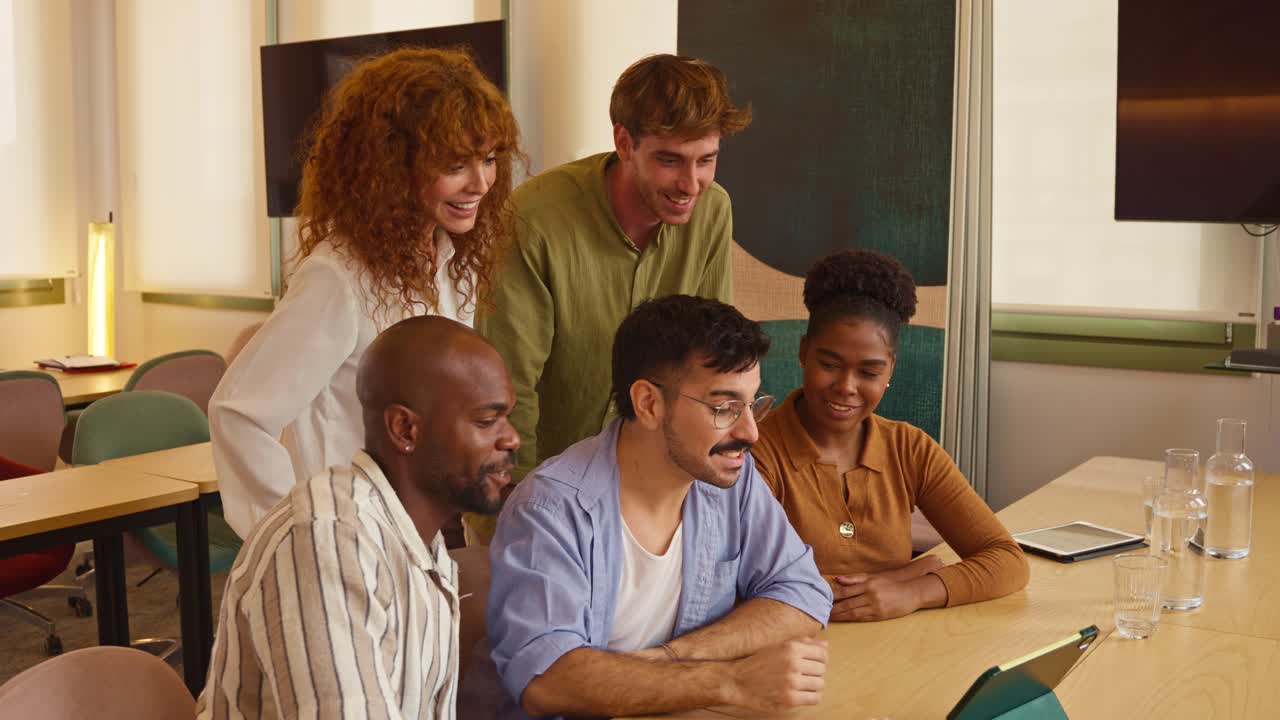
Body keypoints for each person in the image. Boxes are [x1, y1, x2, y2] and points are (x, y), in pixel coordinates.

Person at [209, 47, 521, 538]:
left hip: (415, 531)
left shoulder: (449, 261)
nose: (481, 182)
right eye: (456, 165)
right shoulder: (338, 276)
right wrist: (295, 538)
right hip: (348, 535)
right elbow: (239, 413)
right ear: (395, 166)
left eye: (488, 159)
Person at [487, 295, 832, 718]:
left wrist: (673, 656)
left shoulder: (729, 477)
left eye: (752, 404)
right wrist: (730, 681)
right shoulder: (549, 508)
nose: (750, 433)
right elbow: (547, 677)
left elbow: (803, 592)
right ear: (649, 403)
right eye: (724, 408)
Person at [468, 54, 752, 544]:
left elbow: (713, 369)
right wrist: (519, 524)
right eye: (670, 160)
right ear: (624, 142)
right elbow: (508, 391)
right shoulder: (533, 220)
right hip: (542, 494)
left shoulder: (713, 209)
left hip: (651, 497)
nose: (691, 184)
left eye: (706, 160)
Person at [197, 315, 520, 718]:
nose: (511, 438)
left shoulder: (422, 543)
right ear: (405, 429)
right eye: (487, 421)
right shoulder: (324, 543)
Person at [751, 250, 1029, 623]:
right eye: (829, 365)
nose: (846, 387)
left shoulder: (909, 448)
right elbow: (759, 587)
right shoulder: (754, 451)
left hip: (899, 654)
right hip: (793, 657)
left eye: (869, 372)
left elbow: (1007, 560)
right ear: (803, 352)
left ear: (890, 370)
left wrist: (914, 590)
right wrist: (908, 571)